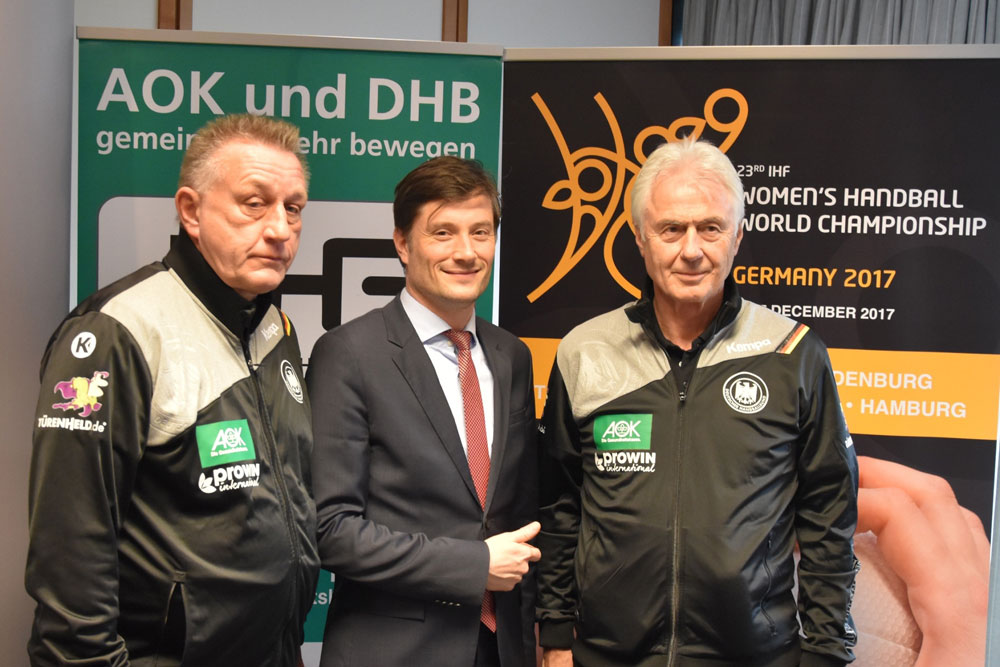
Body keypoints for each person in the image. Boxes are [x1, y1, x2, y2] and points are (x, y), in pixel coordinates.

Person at [536, 135, 859, 667]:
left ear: (737, 237)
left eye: (711, 228)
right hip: (607, 656)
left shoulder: (792, 352)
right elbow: (559, 506)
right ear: (641, 239)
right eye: (671, 229)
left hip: (755, 657)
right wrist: (554, 631)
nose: (691, 250)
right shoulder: (584, 350)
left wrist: (825, 650)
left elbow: (830, 515)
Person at [26, 114, 320, 666]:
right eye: (254, 203)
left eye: (294, 208)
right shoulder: (117, 331)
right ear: (191, 211)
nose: (280, 229)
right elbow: (69, 549)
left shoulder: (275, 329)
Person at [307, 156, 540, 667]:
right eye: (443, 232)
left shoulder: (512, 357)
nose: (466, 252)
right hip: (393, 653)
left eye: (481, 232)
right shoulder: (349, 354)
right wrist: (474, 565)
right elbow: (330, 529)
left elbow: (520, 514)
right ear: (402, 243)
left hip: (502, 650)